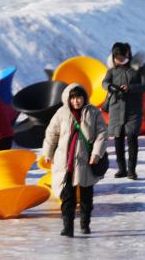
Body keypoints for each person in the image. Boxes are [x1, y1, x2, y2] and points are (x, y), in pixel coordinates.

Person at [41, 84, 107, 237]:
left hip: (87, 161)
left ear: (85, 97)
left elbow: (102, 134)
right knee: (67, 196)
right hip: (66, 162)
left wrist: (96, 153)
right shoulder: (61, 113)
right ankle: (67, 227)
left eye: (79, 97)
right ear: (68, 99)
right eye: (73, 98)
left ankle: (85, 224)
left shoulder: (93, 112)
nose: (76, 101)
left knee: (86, 196)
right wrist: (48, 153)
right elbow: (52, 133)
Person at [101, 42, 145, 180]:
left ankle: (131, 170)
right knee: (118, 139)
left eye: (121, 57)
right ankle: (121, 169)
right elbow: (104, 82)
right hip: (116, 108)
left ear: (128, 54)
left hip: (133, 109)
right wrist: (111, 87)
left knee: (132, 138)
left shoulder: (139, 67)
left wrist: (130, 88)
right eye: (116, 57)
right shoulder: (112, 69)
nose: (119, 60)